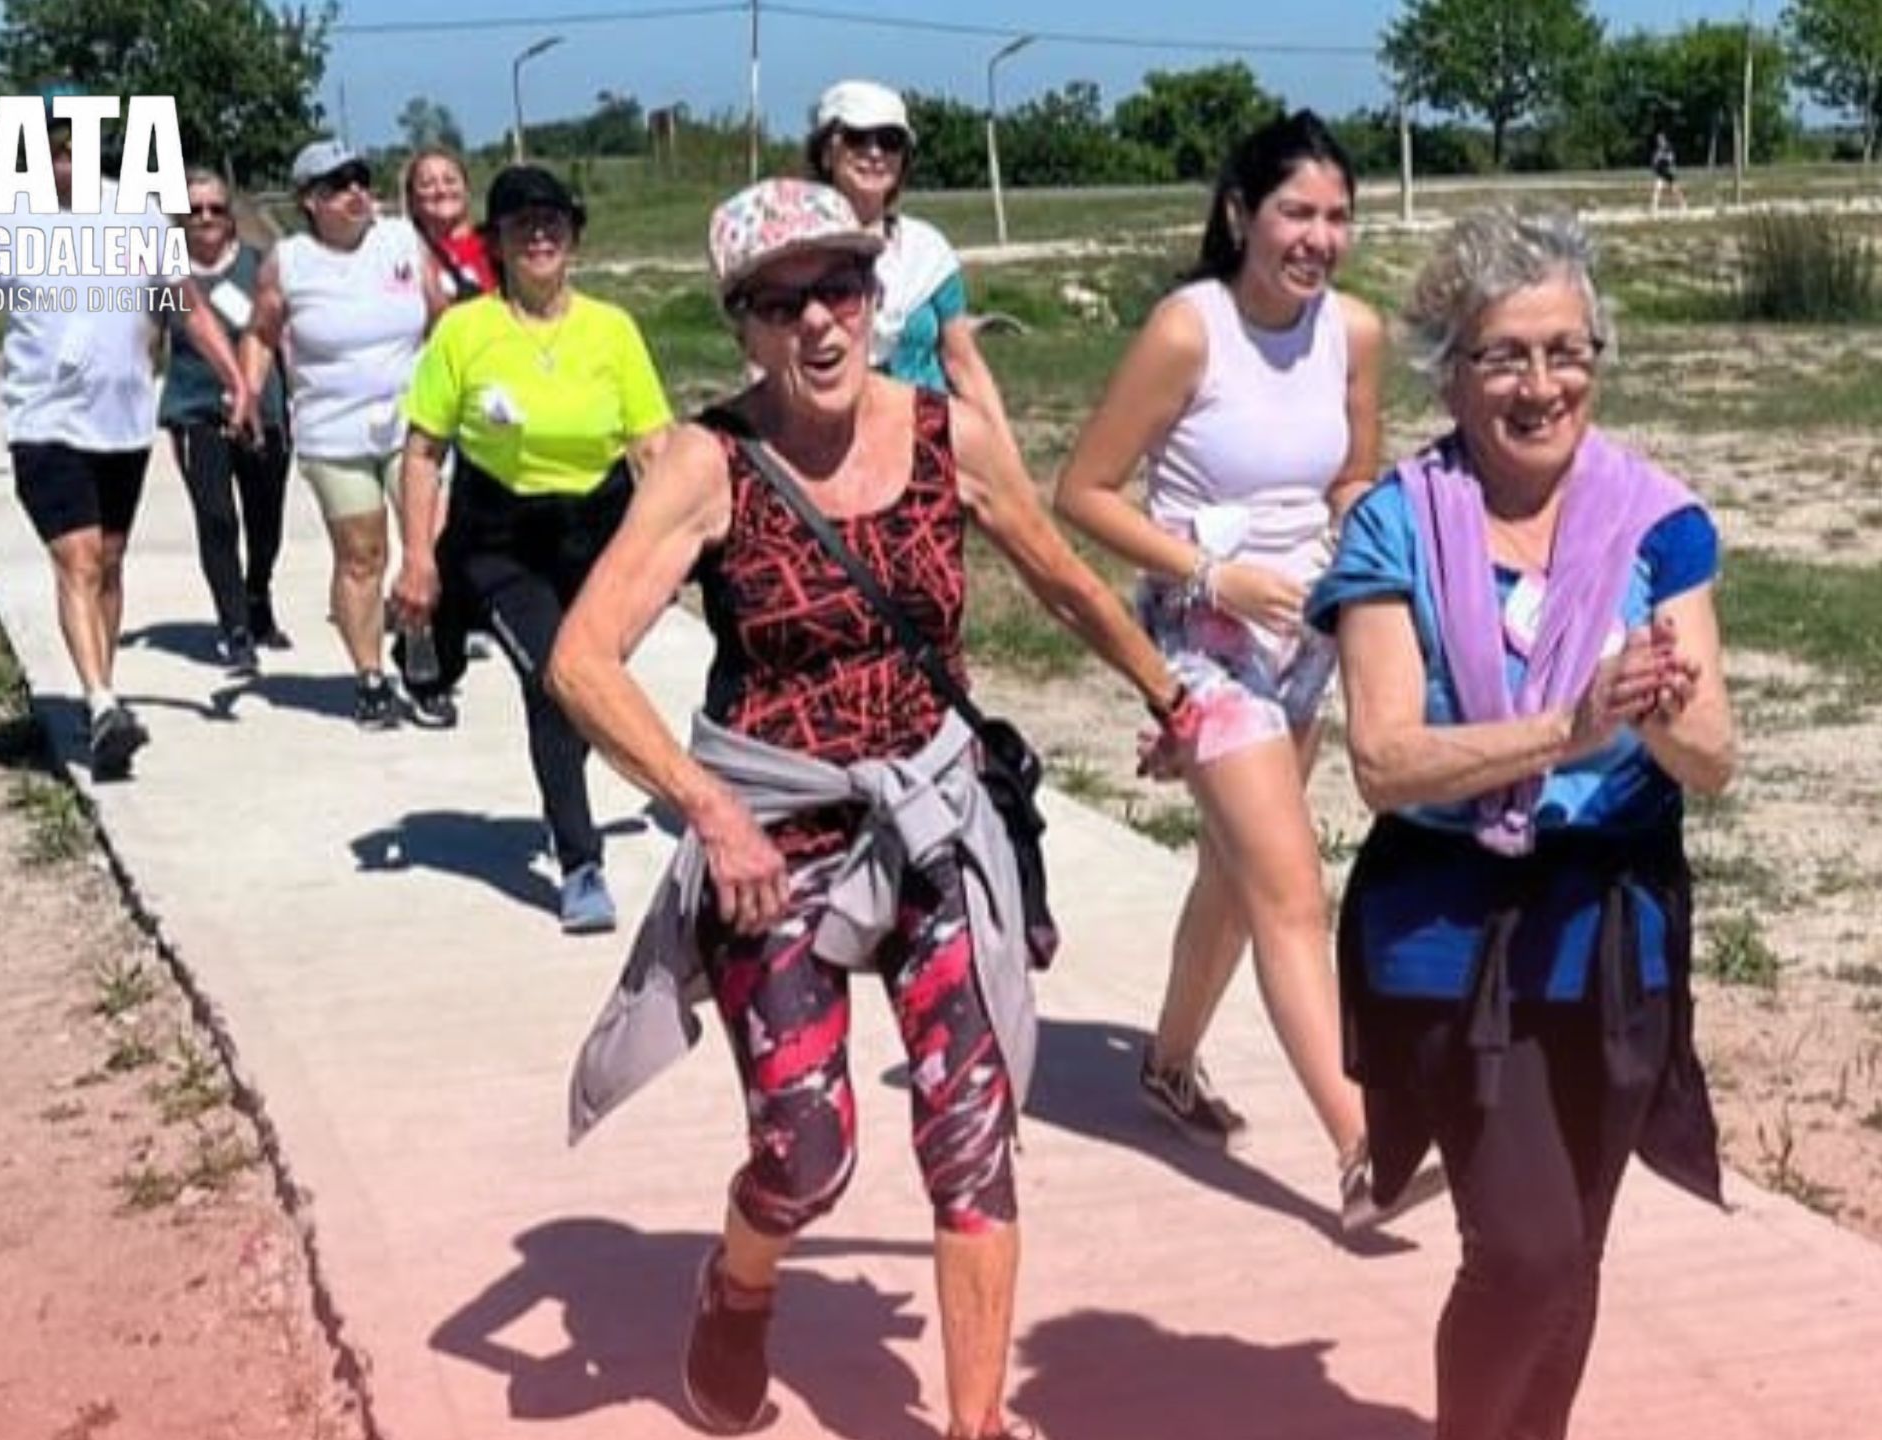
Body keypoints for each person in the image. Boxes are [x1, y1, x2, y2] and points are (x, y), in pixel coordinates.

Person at [553, 178, 1198, 1440]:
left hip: (931, 820)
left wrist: (1173, 697)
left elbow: (1061, 579)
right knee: (807, 1148)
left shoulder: (948, 434)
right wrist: (707, 811)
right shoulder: (709, 461)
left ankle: (972, 1423)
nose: (819, 325)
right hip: (772, 834)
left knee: (969, 1129)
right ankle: (737, 1290)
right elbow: (581, 659)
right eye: (781, 304)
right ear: (743, 327)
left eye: (839, 289)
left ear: (873, 296)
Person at [1304, 208, 1736, 1440]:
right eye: (1506, 355)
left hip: (1612, 925)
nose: (1542, 385)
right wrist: (1570, 723)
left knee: (1576, 1252)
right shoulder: (1395, 521)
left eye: (1567, 351)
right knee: (1525, 1253)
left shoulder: (1661, 524)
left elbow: (1712, 762)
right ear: (1450, 365)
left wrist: (1661, 714)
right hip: (1449, 926)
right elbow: (1384, 762)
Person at [1052, 110, 1414, 1231]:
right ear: (1239, 214)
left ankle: (1164, 1067)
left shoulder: (1353, 332)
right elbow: (1084, 493)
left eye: (1337, 216)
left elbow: (1352, 472)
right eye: (1295, 212)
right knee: (1291, 890)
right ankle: (1365, 1152)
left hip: (1303, 636)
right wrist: (1214, 576)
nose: (1317, 237)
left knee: (1234, 874)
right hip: (1201, 643)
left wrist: (1361, 554)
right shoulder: (1186, 331)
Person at [0, 87, 251, 781]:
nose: (64, 153)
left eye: (76, 139)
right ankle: (103, 701)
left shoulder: (136, 209)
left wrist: (236, 376)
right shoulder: (2, 217)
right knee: (76, 559)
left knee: (107, 562)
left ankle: (99, 695)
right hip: (43, 421)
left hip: (124, 419)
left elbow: (180, 303)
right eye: (51, 141)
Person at [390, 165, 670, 934]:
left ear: (574, 237)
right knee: (556, 681)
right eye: (521, 226)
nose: (539, 237)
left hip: (594, 530)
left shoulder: (612, 330)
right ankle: (580, 863)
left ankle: (437, 629)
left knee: (583, 688)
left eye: (553, 223)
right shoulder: (466, 331)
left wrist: (669, 550)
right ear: (498, 244)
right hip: (498, 534)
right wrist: (416, 553)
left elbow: (652, 446)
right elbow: (422, 453)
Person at [239, 138, 446, 729]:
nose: (356, 193)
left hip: (414, 425)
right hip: (334, 431)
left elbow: (444, 320)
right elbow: (259, 332)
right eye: (337, 185)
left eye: (361, 178)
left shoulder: (402, 241)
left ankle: (423, 653)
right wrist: (249, 391)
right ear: (310, 200)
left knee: (428, 546)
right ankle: (371, 675)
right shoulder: (290, 260)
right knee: (363, 556)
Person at [805, 80, 1009, 426]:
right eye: (857, 137)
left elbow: (963, 362)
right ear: (826, 151)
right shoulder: (796, 254)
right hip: (828, 451)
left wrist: (1004, 457)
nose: (874, 152)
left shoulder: (927, 251)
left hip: (928, 443)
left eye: (890, 141)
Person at [161, 167, 292, 673]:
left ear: (231, 216)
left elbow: (287, 340)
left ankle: (257, 594)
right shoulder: (168, 276)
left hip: (264, 413)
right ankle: (235, 627)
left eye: (216, 209)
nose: (206, 219)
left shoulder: (260, 267)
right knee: (216, 519)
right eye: (194, 211)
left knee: (266, 523)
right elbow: (148, 340)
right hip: (196, 411)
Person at [403, 147, 497, 304]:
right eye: (427, 184)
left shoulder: (498, 245)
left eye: (450, 180)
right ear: (411, 200)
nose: (441, 190)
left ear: (467, 191)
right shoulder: (404, 256)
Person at [1649, 130, 1684, 213]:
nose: (1659, 141)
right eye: (1658, 139)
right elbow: (1654, 160)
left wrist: (1662, 157)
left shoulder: (1668, 147)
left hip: (1668, 172)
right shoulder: (1658, 149)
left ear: (1664, 139)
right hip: (1661, 173)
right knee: (1657, 189)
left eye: (1660, 139)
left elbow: (1671, 158)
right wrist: (1655, 163)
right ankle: (1654, 207)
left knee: (1675, 189)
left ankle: (1682, 205)